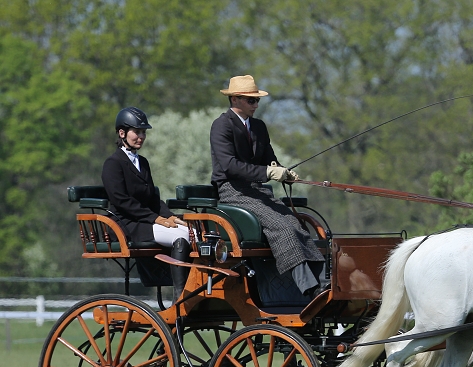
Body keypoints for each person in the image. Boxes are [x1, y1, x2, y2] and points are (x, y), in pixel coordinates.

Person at [210, 75, 325, 298]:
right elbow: (230, 166)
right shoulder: (221, 125)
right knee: (282, 228)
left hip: (258, 191)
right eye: (251, 100)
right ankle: (308, 287)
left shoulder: (259, 127)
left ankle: (322, 281)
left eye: (257, 100)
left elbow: (269, 159)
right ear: (235, 99)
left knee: (295, 224)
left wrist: (284, 172)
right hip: (232, 191)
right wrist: (268, 172)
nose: (256, 105)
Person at [101, 107, 191, 300]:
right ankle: (180, 295)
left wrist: (170, 216)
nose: (141, 136)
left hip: (145, 221)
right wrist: (157, 219)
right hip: (127, 224)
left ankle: (193, 290)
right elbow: (122, 201)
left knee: (190, 232)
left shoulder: (143, 162)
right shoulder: (113, 163)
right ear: (122, 133)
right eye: (137, 132)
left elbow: (151, 197)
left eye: (143, 132)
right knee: (181, 238)